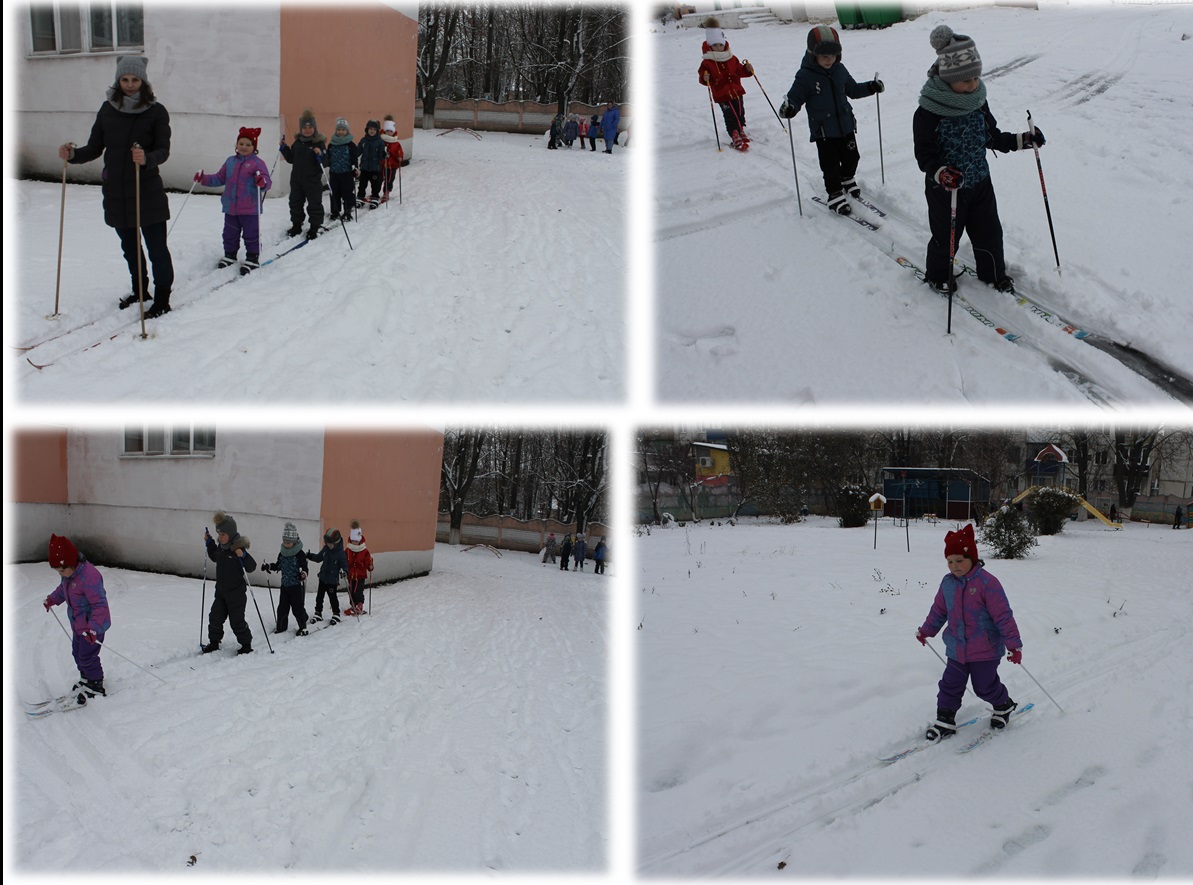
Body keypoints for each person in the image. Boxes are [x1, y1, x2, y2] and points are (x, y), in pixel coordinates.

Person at [913, 24, 1045, 294]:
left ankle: (994, 274)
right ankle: (938, 276)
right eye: (965, 80)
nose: (972, 85)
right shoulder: (928, 111)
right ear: (948, 77)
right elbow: (924, 154)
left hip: (980, 184)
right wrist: (941, 173)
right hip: (946, 191)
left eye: (975, 78)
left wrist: (1023, 140)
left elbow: (991, 137)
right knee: (946, 239)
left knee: (990, 233)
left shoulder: (977, 101)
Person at [58, 55, 175, 317]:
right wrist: (74, 154)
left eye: (135, 80)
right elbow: (95, 147)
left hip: (146, 191)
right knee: (130, 248)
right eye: (125, 79)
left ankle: (162, 298)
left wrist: (147, 158)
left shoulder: (156, 111)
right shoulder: (108, 109)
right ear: (118, 80)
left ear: (143, 82)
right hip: (117, 193)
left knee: (157, 248)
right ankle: (140, 290)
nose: (130, 84)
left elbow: (163, 150)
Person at [915, 524, 1022, 740]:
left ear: (972, 557)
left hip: (985, 649)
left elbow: (1003, 615)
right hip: (956, 648)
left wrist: (1013, 645)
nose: (954, 566)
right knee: (950, 685)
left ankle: (1003, 705)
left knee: (984, 687)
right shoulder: (947, 584)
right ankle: (945, 719)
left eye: (959, 560)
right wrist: (927, 630)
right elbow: (939, 610)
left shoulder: (987, 583)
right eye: (950, 561)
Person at [779, 26, 883, 215]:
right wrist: (790, 108)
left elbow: (852, 90)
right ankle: (835, 194)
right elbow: (795, 97)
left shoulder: (840, 69)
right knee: (830, 165)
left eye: (833, 55)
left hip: (846, 125)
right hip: (824, 131)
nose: (829, 59)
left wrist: (870, 87)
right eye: (824, 55)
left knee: (853, 157)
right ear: (813, 54)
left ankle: (847, 177)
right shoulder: (805, 76)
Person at [194, 127, 272, 275]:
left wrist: (262, 182)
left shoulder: (257, 163)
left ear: (254, 147)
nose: (244, 147)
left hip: (250, 207)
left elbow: (267, 182)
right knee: (229, 233)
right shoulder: (230, 161)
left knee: (251, 234)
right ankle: (230, 254)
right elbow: (219, 178)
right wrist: (203, 179)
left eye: (248, 144)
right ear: (236, 145)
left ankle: (252, 257)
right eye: (241, 143)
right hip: (231, 206)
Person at [44, 534, 111, 700]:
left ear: (72, 561)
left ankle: (96, 683)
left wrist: (93, 628)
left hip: (93, 627)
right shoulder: (69, 574)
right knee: (77, 653)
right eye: (58, 571)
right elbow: (63, 590)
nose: (61, 574)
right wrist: (52, 599)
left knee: (88, 655)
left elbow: (99, 605)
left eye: (61, 570)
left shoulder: (90, 577)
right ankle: (86, 678)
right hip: (79, 626)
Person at [202, 512, 257, 655]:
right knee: (215, 617)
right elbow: (214, 556)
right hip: (221, 592)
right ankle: (214, 642)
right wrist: (210, 543)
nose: (220, 537)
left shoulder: (237, 549)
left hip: (236, 594)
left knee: (237, 621)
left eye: (223, 534)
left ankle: (246, 644)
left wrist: (243, 556)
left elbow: (252, 567)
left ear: (231, 534)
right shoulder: (220, 548)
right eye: (218, 534)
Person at [697, 20, 754, 151]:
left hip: (737, 91)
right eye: (715, 45)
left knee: (740, 110)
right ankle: (734, 133)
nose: (718, 48)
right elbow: (703, 77)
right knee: (730, 114)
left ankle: (740, 129)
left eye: (720, 45)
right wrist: (705, 77)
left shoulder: (732, 58)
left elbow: (740, 71)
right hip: (721, 94)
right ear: (710, 46)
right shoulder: (707, 62)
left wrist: (747, 69)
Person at [279, 109, 326, 240]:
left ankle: (314, 227)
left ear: (314, 128)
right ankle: (296, 225)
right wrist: (284, 148)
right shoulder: (298, 143)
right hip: (297, 180)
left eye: (310, 127)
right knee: (295, 202)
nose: (307, 130)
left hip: (312, 181)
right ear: (301, 129)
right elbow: (291, 158)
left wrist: (320, 155)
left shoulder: (318, 143)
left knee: (314, 203)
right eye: (304, 127)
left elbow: (325, 162)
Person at [260, 522, 310, 636]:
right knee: (282, 609)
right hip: (285, 586)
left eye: (288, 542)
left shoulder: (299, 554)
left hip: (296, 586)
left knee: (297, 609)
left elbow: (304, 567)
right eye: (284, 542)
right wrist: (269, 566)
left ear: (294, 541)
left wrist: (303, 573)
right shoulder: (282, 553)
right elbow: (278, 565)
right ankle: (281, 627)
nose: (286, 544)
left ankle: (303, 627)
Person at [307, 527, 347, 624]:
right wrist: (310, 555)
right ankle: (318, 613)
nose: (328, 545)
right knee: (319, 597)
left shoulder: (341, 554)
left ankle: (336, 613)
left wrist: (344, 571)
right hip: (323, 578)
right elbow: (318, 558)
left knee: (332, 598)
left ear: (336, 543)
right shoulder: (326, 549)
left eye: (330, 543)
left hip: (332, 581)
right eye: (327, 542)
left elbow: (344, 566)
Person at [325, 117, 360, 222]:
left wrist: (355, 167)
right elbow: (328, 156)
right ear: (336, 131)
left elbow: (354, 157)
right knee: (334, 192)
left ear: (347, 131)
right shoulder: (331, 144)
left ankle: (348, 209)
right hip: (334, 173)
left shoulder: (351, 144)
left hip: (347, 173)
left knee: (347, 192)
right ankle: (335, 211)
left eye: (343, 129)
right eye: (339, 129)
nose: (341, 132)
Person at [345, 520, 374, 615]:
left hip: (360, 575)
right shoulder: (348, 550)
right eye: (353, 541)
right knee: (351, 591)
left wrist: (369, 565)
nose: (355, 543)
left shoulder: (364, 550)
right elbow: (344, 560)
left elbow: (367, 560)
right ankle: (353, 605)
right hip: (350, 574)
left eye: (356, 541)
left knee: (358, 591)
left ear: (360, 539)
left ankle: (359, 604)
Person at [357, 119, 386, 208]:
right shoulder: (363, 140)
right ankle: (360, 197)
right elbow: (358, 151)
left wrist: (384, 153)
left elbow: (381, 156)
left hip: (375, 168)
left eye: (374, 129)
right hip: (364, 167)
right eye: (370, 128)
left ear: (377, 131)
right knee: (362, 183)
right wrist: (353, 153)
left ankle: (375, 197)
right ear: (367, 129)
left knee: (375, 184)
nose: (372, 131)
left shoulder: (380, 141)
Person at [380, 116, 405, 202]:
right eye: (387, 131)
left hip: (392, 165)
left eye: (391, 131)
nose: (389, 133)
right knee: (379, 178)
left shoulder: (396, 143)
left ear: (393, 132)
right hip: (382, 163)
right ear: (385, 131)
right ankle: (375, 192)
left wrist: (400, 157)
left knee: (389, 179)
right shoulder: (381, 140)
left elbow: (400, 151)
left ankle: (386, 192)